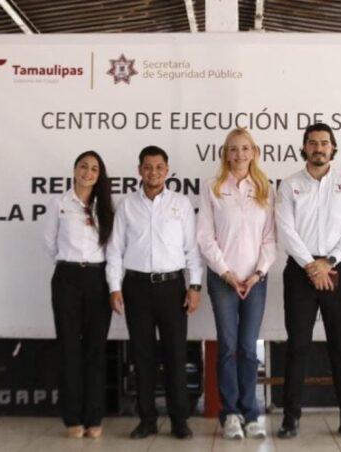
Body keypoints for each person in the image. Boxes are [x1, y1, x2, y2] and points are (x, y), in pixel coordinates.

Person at [274, 123, 341, 438]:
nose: (318, 148)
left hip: (337, 270)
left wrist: (328, 261)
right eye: (312, 143)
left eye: (324, 143)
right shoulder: (289, 185)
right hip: (300, 273)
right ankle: (290, 418)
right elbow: (286, 230)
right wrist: (312, 266)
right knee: (297, 347)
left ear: (333, 148)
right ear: (304, 148)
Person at [107, 145, 203, 440]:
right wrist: (114, 287)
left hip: (172, 287)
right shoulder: (126, 205)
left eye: (159, 167)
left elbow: (192, 249)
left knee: (175, 355)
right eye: (148, 167)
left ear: (167, 169)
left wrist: (195, 285)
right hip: (136, 287)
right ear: (139, 170)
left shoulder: (181, 203)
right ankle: (146, 419)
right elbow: (114, 250)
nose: (153, 172)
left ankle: (179, 420)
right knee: (142, 356)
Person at [196, 128, 277, 440]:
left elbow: (270, 238)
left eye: (245, 148)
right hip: (223, 279)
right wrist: (226, 272)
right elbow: (205, 236)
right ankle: (230, 413)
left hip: (256, 279)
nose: (239, 154)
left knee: (247, 347)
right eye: (233, 149)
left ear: (253, 152)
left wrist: (258, 272)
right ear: (225, 154)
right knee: (228, 347)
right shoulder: (213, 187)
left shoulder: (264, 188)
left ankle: (250, 413)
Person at [43, 150, 114, 439]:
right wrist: (70, 266)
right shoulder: (59, 204)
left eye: (94, 168)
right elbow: (50, 243)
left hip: (99, 278)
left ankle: (93, 417)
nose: (88, 172)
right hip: (67, 278)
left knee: (95, 350)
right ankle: (72, 418)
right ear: (74, 170)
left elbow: (113, 249)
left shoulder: (107, 208)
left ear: (100, 175)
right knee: (69, 349)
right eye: (83, 167)